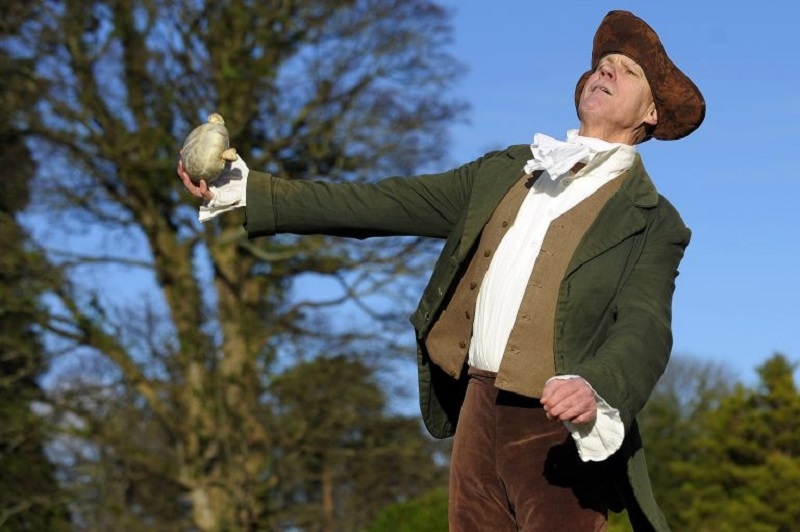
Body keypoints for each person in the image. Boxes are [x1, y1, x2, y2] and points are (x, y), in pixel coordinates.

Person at [178, 10, 704, 531]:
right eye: (601, 65)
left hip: (560, 429)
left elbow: (646, 327)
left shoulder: (655, 222)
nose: (605, 71)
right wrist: (249, 191)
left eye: (626, 71)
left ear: (651, 115)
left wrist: (597, 385)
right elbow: (382, 203)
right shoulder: (510, 170)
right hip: (476, 406)